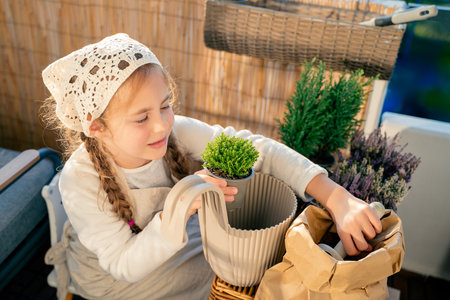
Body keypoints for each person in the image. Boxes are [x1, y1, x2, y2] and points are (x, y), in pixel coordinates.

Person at [41, 33, 382, 300]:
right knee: (242, 278)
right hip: (123, 279)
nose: (161, 125)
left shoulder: (175, 132)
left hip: (179, 241)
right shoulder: (81, 180)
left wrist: (336, 197)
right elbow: (122, 265)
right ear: (97, 127)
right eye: (141, 117)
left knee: (254, 262)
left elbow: (258, 149)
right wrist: (179, 205)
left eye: (165, 105)